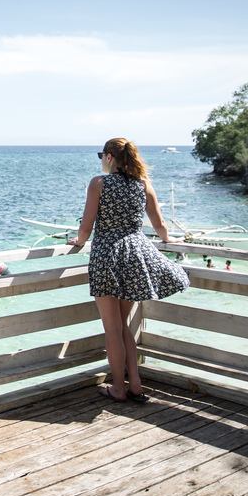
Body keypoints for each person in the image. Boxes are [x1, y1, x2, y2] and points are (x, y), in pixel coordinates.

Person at [67, 138, 190, 403]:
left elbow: (86, 227)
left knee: (112, 329)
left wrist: (77, 241)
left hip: (106, 257)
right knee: (124, 328)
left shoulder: (99, 183)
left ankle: (119, 389)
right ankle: (135, 385)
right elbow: (159, 225)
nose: (101, 159)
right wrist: (170, 239)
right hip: (135, 257)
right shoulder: (143, 184)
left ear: (110, 157)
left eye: (102, 154)